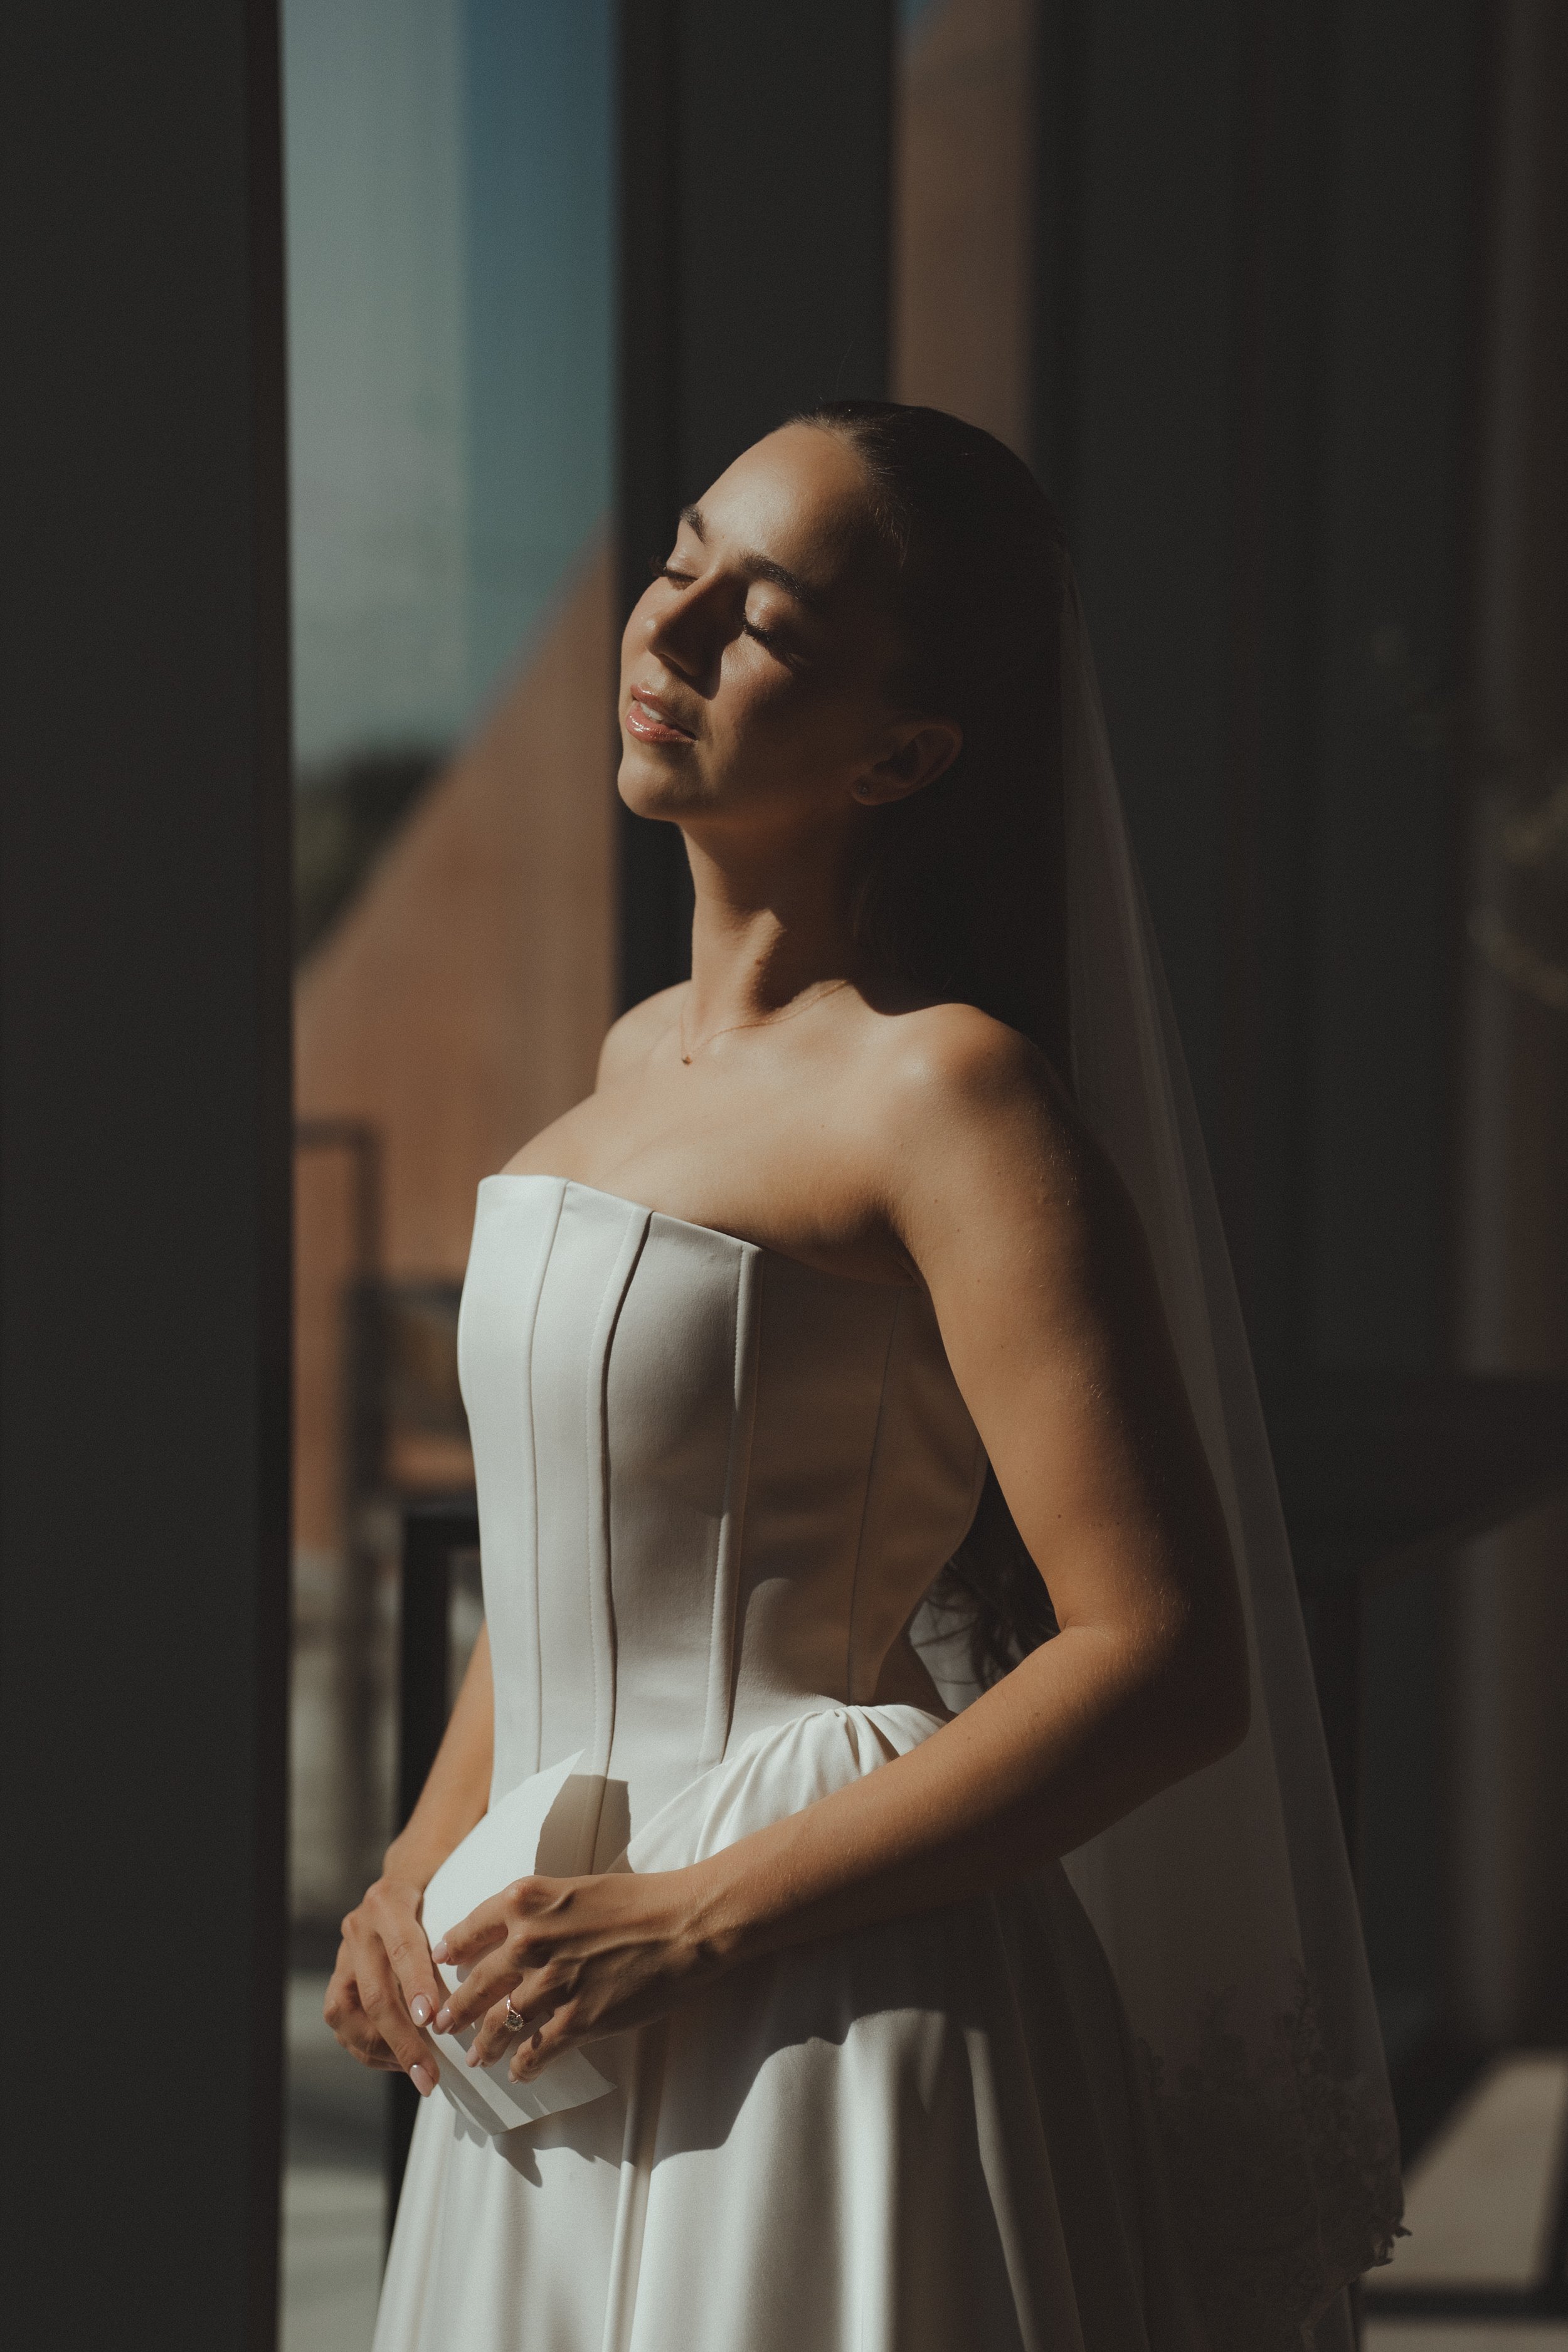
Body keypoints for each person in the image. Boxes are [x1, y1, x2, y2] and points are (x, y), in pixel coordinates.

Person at [329, 403, 1402, 2352]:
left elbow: (1162, 1657)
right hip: (546, 1982)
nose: (669, 633)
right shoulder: (632, 1047)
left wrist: (698, 1911)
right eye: (676, 562)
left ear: (901, 755)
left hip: (816, 2002)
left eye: (766, 621)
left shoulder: (945, 1092)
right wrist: (411, 1865)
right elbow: (586, 1555)